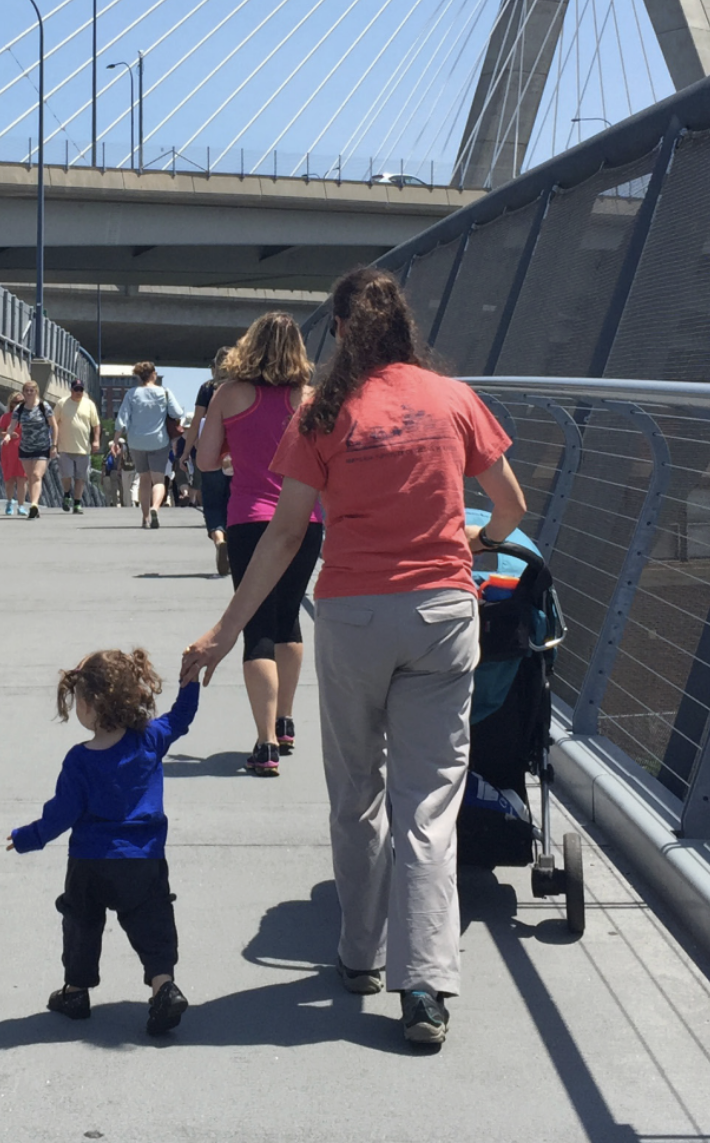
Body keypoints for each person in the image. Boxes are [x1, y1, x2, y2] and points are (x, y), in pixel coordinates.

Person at [181, 266, 528, 1050]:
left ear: (338, 333)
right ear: (404, 324)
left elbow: (284, 535)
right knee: (430, 804)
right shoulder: (455, 398)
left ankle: (359, 956)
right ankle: (426, 988)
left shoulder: (324, 413)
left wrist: (225, 632)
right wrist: (477, 543)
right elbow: (510, 506)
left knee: (356, 791)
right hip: (442, 613)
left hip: (352, 617)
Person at [7, 648, 198, 1036]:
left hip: (90, 862)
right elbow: (181, 718)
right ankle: (164, 986)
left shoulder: (79, 761)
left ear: (89, 706)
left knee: (81, 921)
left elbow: (61, 814)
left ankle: (76, 991)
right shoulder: (149, 740)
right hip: (142, 859)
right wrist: (190, 683)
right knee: (153, 919)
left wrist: (28, 838)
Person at [195, 312, 322, 779]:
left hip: (250, 521)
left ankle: (265, 743)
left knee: (256, 626)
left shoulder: (228, 394)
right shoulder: (310, 399)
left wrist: (239, 454)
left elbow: (208, 460)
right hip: (307, 519)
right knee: (288, 617)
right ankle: (286, 721)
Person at [113, 361, 183, 528]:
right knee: (158, 480)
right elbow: (177, 412)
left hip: (136, 441)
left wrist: (115, 441)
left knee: (144, 479)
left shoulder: (132, 394)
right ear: (154, 375)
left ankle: (145, 518)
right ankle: (155, 509)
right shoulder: (164, 392)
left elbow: (122, 420)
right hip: (159, 441)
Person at [192, 349, 233, 576]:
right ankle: (236, 550)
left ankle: (219, 540)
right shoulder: (243, 387)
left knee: (213, 503)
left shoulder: (208, 389)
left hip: (211, 454)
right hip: (236, 456)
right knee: (234, 503)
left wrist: (185, 451)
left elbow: (197, 421)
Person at [53, 378, 101, 514]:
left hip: (83, 448)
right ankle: (67, 493)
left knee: (81, 477)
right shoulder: (62, 403)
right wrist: (54, 442)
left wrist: (96, 440)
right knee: (66, 476)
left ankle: (77, 503)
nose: (79, 392)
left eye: (81, 390)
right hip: (65, 447)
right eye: (76, 389)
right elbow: (53, 422)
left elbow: (96, 424)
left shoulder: (89, 404)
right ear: (71, 390)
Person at [11, 380, 56, 519]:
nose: (29, 393)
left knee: (37, 475)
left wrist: (54, 445)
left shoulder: (44, 407)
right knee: (30, 478)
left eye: (32, 390)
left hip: (42, 447)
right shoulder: (19, 408)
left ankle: (34, 505)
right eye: (27, 390)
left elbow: (54, 426)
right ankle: (34, 505)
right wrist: (7, 435)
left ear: (36, 392)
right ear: (23, 392)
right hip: (26, 447)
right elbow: (12, 425)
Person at [0, 389, 25, 515]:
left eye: (21, 402)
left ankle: (21, 505)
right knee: (10, 479)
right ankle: (9, 501)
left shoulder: (28, 417)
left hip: (24, 450)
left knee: (23, 478)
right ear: (11, 403)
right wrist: (7, 434)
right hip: (9, 450)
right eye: (15, 402)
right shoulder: (6, 417)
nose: (18, 404)